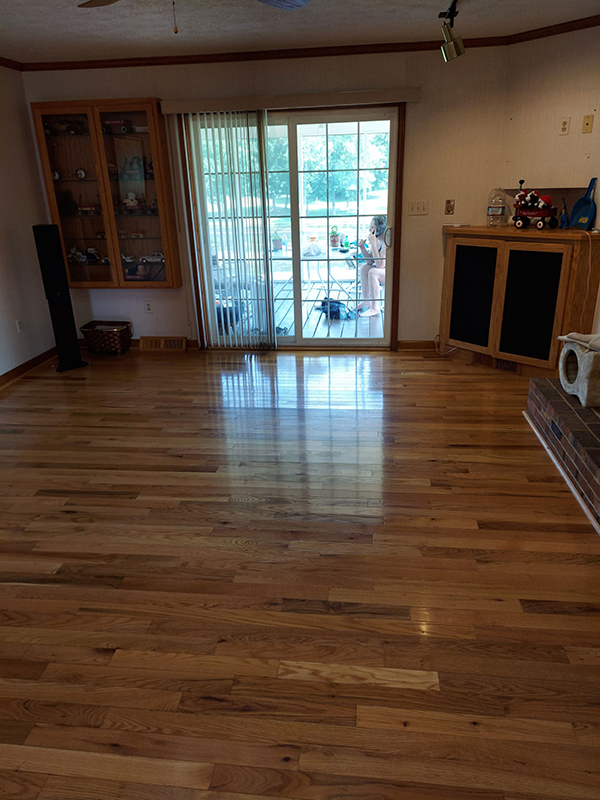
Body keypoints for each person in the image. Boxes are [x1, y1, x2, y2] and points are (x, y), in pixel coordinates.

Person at [356, 215, 387, 317]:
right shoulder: (378, 241)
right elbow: (370, 261)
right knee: (365, 268)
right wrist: (362, 248)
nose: (370, 230)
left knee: (373, 272)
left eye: (372, 227)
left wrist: (373, 244)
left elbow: (380, 265)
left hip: (392, 272)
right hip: (383, 270)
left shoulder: (386, 241)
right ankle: (366, 301)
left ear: (379, 228)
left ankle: (375, 307)